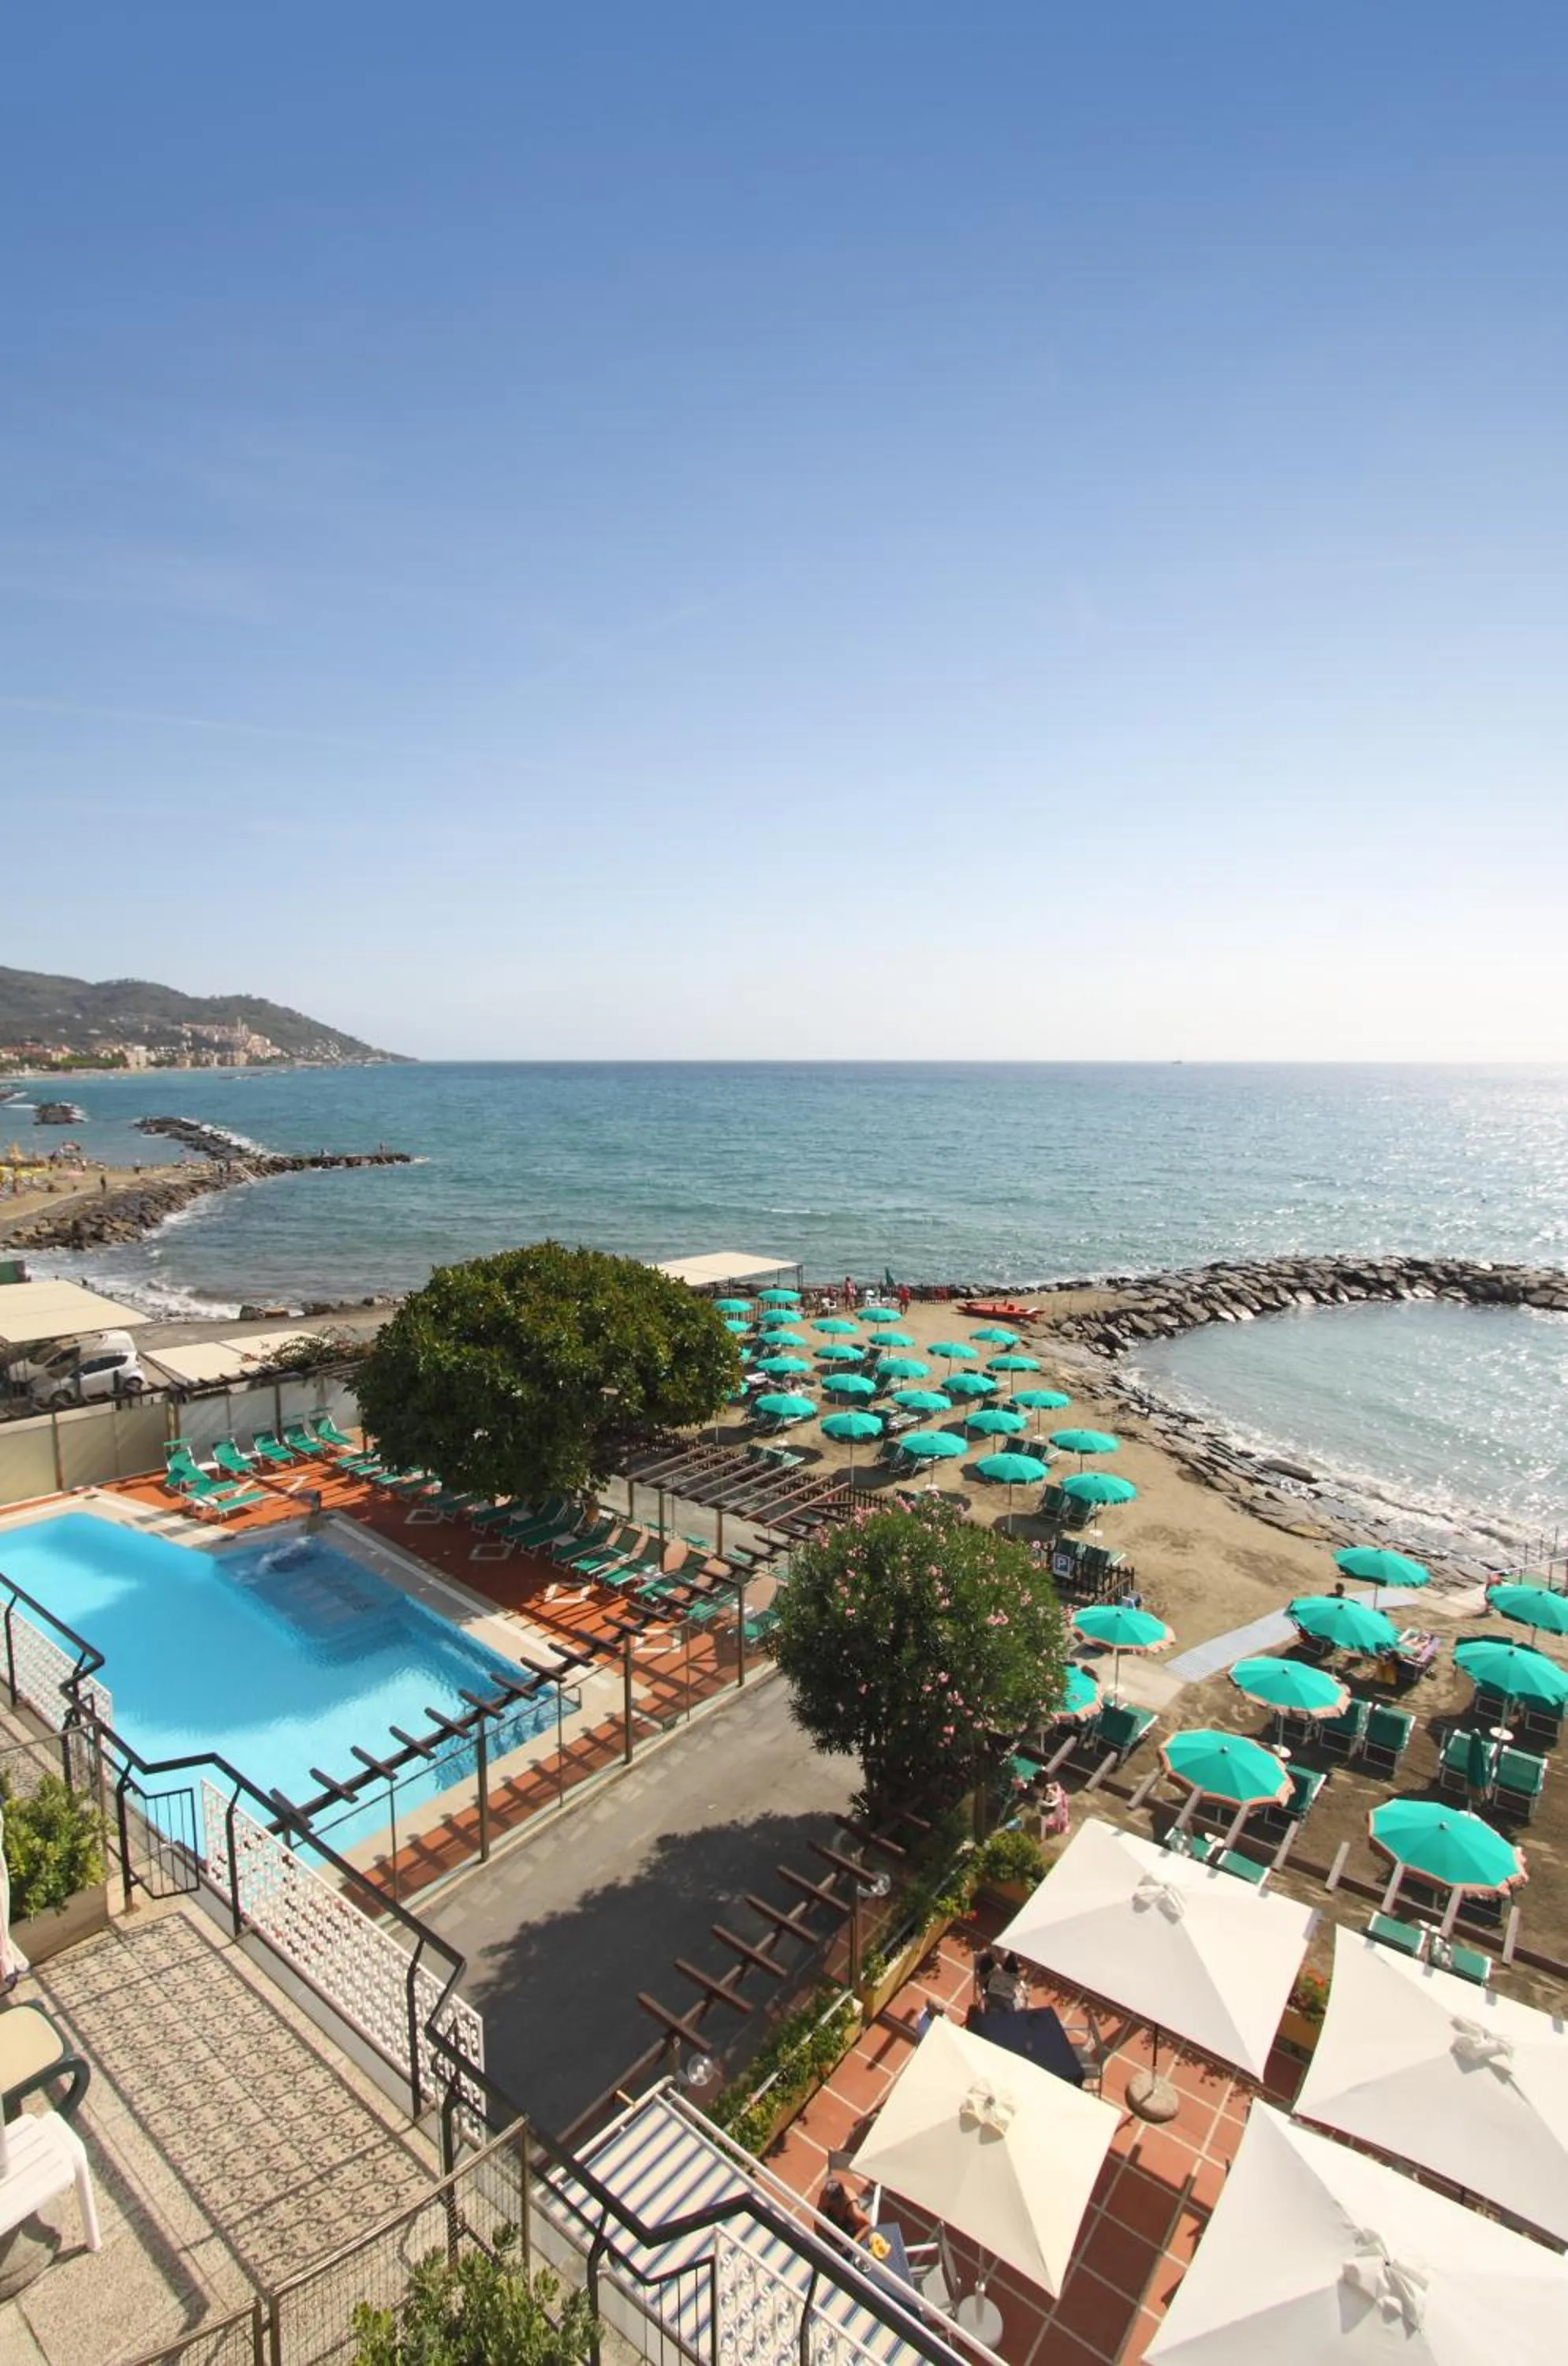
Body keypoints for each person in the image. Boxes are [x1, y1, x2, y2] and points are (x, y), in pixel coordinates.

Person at [819, 2178, 872, 2242]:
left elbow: (868, 2224)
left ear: (838, 2200)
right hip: (836, 2219)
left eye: (830, 2201)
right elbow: (819, 2216)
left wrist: (852, 2243)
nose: (826, 2201)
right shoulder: (825, 2194)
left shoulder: (852, 2210)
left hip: (850, 2226)